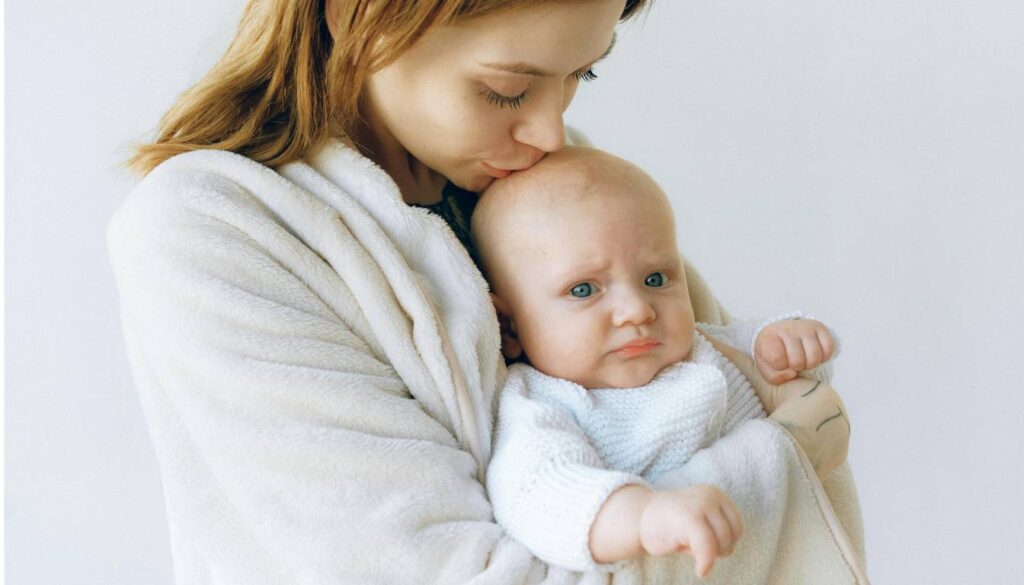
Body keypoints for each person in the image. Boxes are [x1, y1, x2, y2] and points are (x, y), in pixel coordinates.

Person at [109, 1, 865, 583]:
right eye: (508, 90)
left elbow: (720, 382)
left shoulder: (548, 191)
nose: (551, 131)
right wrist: (782, 462)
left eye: (581, 74)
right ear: (360, 17)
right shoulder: (215, 231)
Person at [473, 147, 850, 579]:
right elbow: (536, 492)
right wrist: (642, 516)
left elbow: (792, 379)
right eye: (583, 290)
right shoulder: (546, 404)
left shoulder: (698, 348)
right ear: (510, 328)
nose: (637, 310)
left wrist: (785, 340)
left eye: (655, 279)